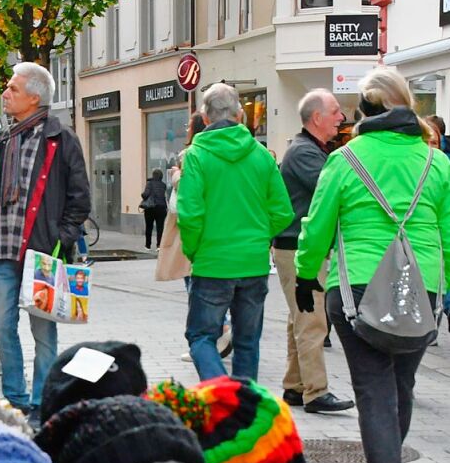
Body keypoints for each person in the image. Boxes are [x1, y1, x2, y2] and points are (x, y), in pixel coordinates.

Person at [296, 67, 450, 463]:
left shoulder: (345, 160)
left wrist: (306, 275)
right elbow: (447, 235)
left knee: (373, 389)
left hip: (359, 286)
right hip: (421, 284)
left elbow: (319, 224)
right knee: (401, 385)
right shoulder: (436, 162)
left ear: (366, 111)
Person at [0, 61, 90, 417]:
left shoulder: (61, 138)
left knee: (44, 335)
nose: (5, 93)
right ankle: (15, 396)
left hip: (42, 253)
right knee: (0, 325)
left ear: (34, 96)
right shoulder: (8, 136)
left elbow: (80, 198)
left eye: (13, 88)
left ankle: (43, 402)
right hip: (5, 251)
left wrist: (62, 237)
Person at [177, 82, 294, 381]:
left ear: (205, 118)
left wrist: (195, 250)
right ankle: (243, 410)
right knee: (247, 342)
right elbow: (282, 211)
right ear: (240, 115)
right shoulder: (261, 156)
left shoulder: (196, 156)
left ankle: (221, 397)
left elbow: (190, 214)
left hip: (212, 262)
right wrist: (258, 236)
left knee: (202, 337)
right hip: (253, 263)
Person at [275, 89, 353, 414]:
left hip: (294, 246)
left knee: (300, 319)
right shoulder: (305, 153)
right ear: (317, 118)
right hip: (297, 248)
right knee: (312, 320)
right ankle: (316, 392)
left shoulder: (310, 149)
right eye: (335, 111)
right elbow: (332, 193)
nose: (342, 117)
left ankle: (294, 387)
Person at [140, 168, 167, 251]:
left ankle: (148, 245)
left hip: (150, 208)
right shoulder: (163, 185)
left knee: (149, 227)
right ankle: (159, 245)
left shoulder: (149, 183)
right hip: (161, 208)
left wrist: (143, 195)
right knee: (160, 227)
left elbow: (145, 195)